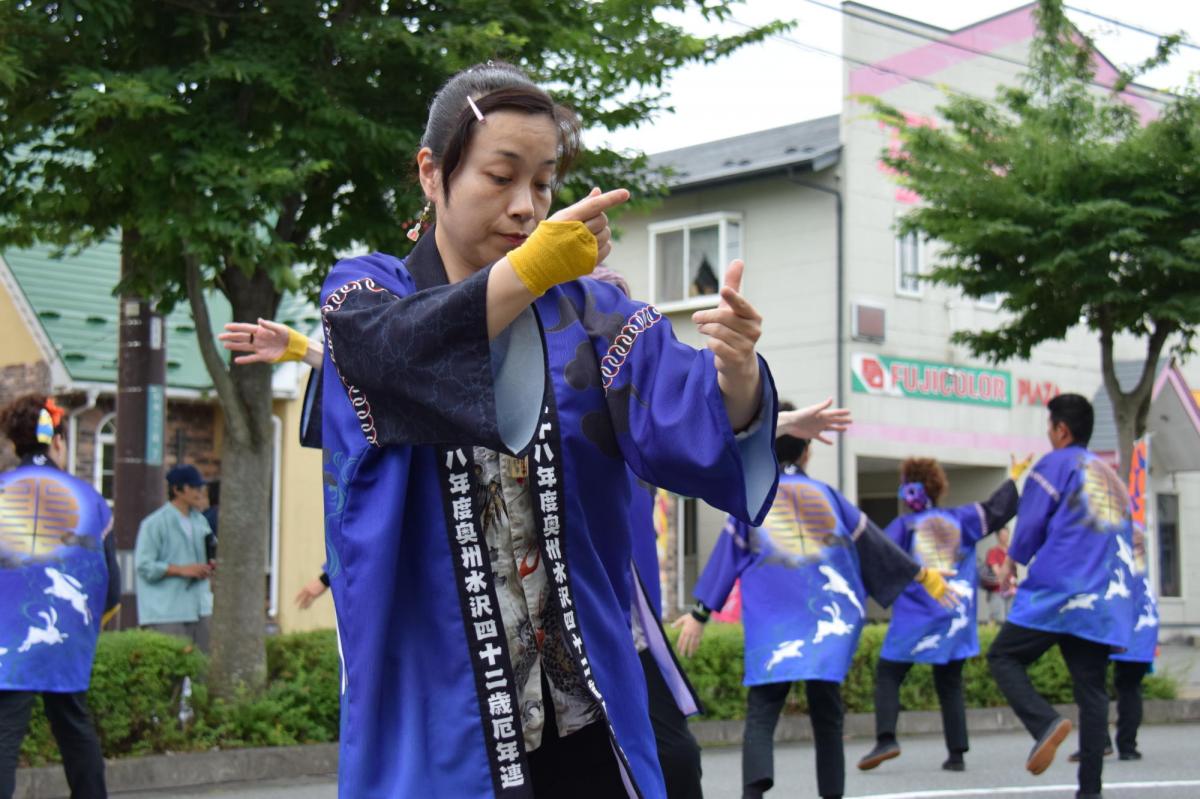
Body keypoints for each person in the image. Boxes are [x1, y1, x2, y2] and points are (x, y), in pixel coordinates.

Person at [312, 62, 779, 799]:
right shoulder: (367, 291)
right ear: (432, 173)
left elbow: (689, 417)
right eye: (501, 176)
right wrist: (528, 275)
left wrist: (738, 375)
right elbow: (380, 357)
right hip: (439, 709)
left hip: (582, 705)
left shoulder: (589, 315)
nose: (527, 207)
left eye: (544, 182)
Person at [225, 309, 850, 799]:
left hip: (612, 632)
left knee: (674, 758)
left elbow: (692, 419)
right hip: (501, 639)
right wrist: (308, 351)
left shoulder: (620, 422)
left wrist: (758, 400)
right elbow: (393, 404)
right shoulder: (510, 393)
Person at [674, 416, 957, 799]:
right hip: (827, 622)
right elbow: (873, 541)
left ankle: (753, 794)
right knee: (827, 717)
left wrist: (700, 614)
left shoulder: (753, 498)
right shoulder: (829, 496)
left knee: (761, 714)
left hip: (774, 626)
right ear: (807, 452)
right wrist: (923, 576)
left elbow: (728, 556)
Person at [987, 393, 1136, 799]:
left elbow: (1032, 521)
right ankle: (1090, 791)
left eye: (1050, 427)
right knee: (1092, 691)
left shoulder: (1055, 464)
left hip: (1058, 590)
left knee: (1003, 656)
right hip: (1098, 599)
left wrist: (1009, 563)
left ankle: (1044, 723)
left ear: (1061, 430)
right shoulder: (1109, 476)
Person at [858, 456, 1025, 773]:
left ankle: (886, 738)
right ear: (937, 488)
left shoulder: (904, 526)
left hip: (914, 617)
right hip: (954, 615)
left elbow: (875, 554)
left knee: (889, 674)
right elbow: (994, 509)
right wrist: (1012, 480)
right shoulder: (961, 518)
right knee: (949, 682)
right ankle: (957, 753)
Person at [0, 394, 118, 799]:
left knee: (3, 736)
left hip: (7, 637)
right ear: (57, 441)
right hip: (64, 634)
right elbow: (112, 582)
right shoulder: (90, 499)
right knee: (74, 728)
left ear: (15, 442)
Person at [1069, 526, 1159, 764]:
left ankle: (1100, 743)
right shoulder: (1141, 568)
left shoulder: (1122, 567)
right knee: (1129, 689)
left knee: (1092, 686)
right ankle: (1127, 747)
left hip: (1124, 632)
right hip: (1144, 632)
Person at [134, 464, 215, 653]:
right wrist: (181, 569)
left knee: (202, 670)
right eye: (193, 487)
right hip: (166, 612)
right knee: (172, 674)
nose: (199, 492)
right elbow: (144, 566)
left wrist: (210, 566)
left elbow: (206, 556)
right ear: (177, 490)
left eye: (200, 487)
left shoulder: (201, 521)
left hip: (201, 608)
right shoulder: (154, 524)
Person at [980, 527, 1015, 624]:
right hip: (997, 589)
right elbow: (997, 571)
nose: (1005, 537)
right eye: (1003, 535)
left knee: (1011, 618)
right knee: (999, 619)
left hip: (1011, 590)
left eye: (1006, 535)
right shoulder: (993, 552)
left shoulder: (1011, 551)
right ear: (998, 537)